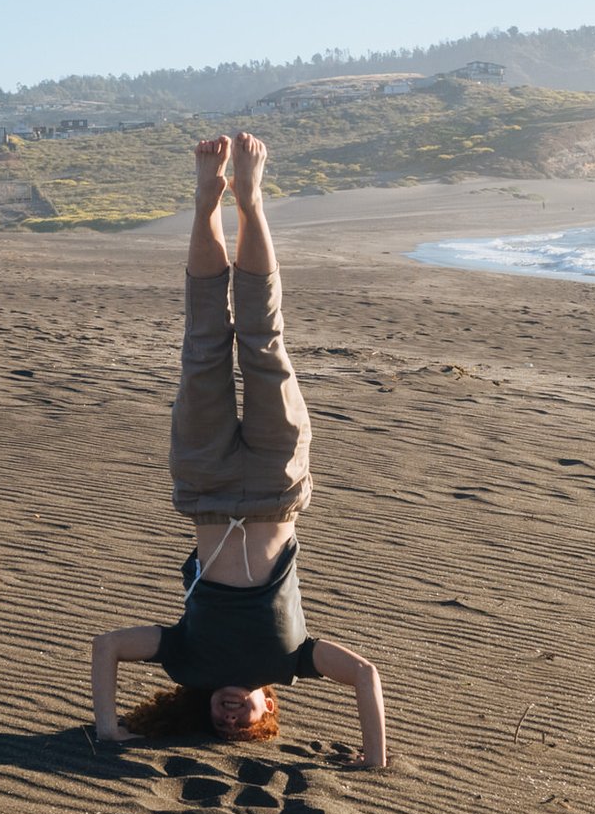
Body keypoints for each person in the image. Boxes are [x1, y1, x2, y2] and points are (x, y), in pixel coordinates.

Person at [89, 133, 389, 767]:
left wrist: (110, 730)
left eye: (218, 723)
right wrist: (374, 757)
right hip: (278, 486)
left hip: (205, 487)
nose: (228, 716)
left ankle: (205, 204)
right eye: (243, 721)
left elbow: (107, 646)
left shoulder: (188, 663)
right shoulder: (293, 658)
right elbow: (365, 675)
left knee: (203, 346)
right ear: (268, 704)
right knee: (264, 341)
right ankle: (250, 202)